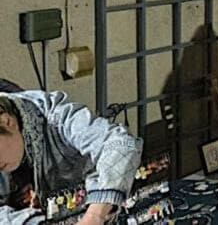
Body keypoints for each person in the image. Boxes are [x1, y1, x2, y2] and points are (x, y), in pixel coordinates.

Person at [0, 91, 143, 224]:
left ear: (7, 122)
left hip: (94, 210)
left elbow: (121, 144)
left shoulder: (57, 118)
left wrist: (94, 216)